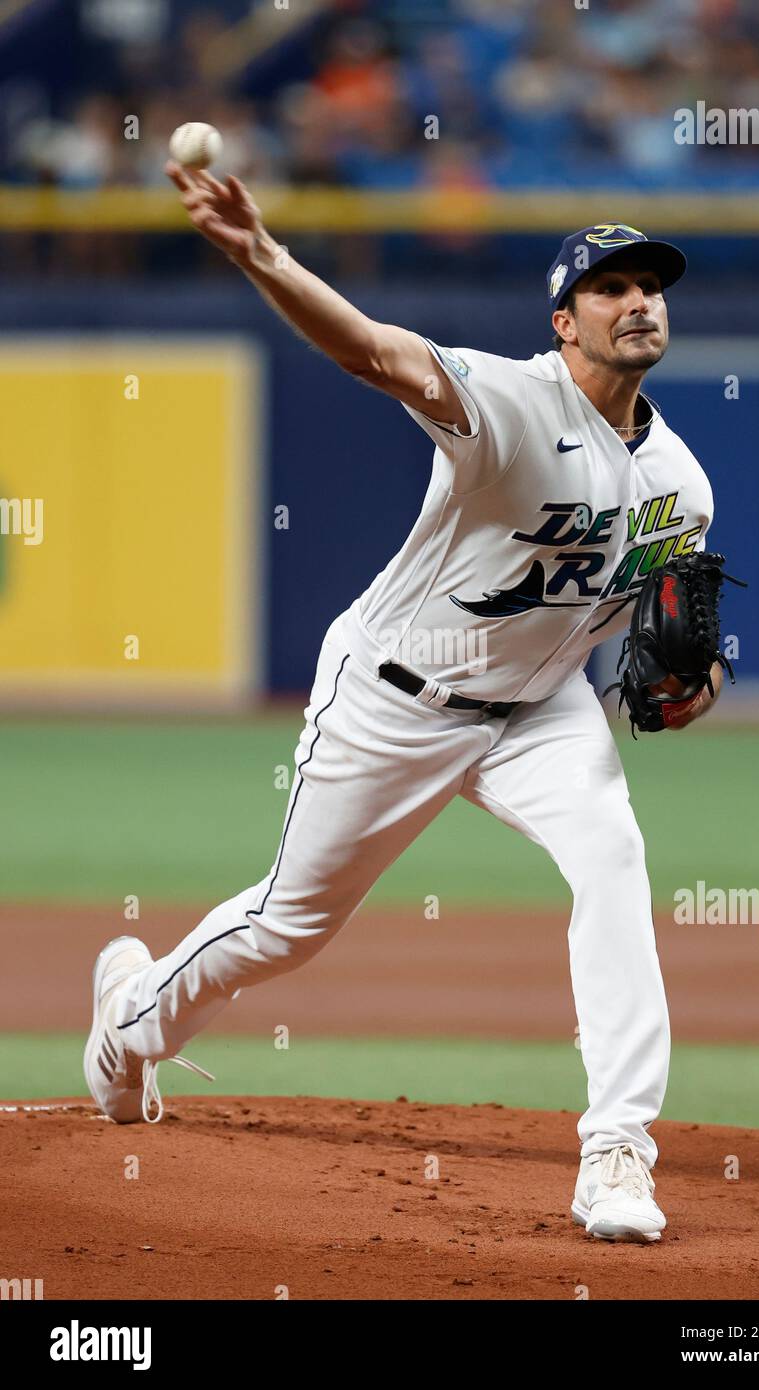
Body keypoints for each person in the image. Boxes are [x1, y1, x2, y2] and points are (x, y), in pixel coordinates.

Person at [85, 185, 721, 1243]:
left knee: (611, 855)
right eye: (608, 287)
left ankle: (616, 1151)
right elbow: (377, 354)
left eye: (649, 286)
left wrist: (683, 688)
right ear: (563, 321)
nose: (637, 301)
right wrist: (264, 256)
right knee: (290, 924)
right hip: (394, 698)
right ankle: (129, 1019)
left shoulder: (681, 486)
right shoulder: (511, 402)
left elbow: (651, 636)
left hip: (536, 711)